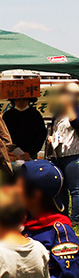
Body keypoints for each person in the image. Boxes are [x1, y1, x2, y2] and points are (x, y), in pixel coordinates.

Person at [47, 82, 79, 216]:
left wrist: (70, 107)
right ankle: (63, 215)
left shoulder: (75, 111)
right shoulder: (58, 114)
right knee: (60, 188)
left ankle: (76, 218)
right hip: (58, 154)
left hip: (74, 154)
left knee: (75, 189)